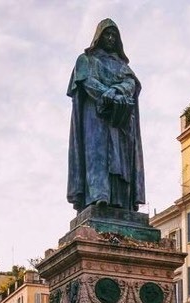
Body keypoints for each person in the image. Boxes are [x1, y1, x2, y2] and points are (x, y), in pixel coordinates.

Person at [67, 19, 145, 212]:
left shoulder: (121, 65)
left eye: (113, 35)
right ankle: (97, 196)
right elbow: (86, 82)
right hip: (95, 116)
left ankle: (121, 201)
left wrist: (117, 91)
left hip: (120, 119)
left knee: (121, 159)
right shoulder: (86, 60)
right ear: (98, 37)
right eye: (107, 35)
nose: (110, 38)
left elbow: (131, 84)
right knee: (96, 154)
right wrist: (107, 94)